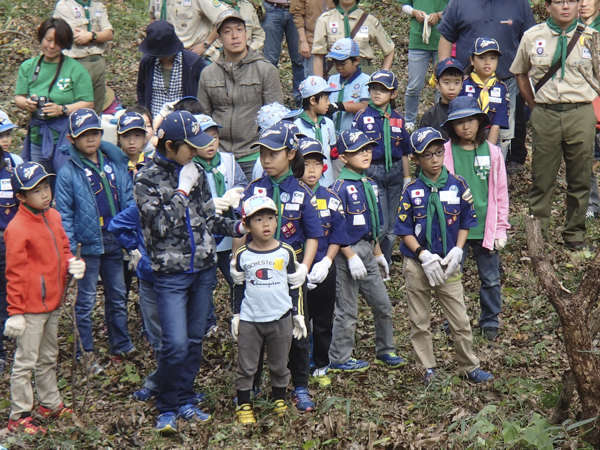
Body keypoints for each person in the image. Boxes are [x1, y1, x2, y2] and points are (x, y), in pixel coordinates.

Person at [134, 110, 244, 434]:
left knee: (195, 340)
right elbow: (160, 227)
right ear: (170, 146)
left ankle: (184, 397)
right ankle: (166, 406)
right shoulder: (146, 180)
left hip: (204, 268)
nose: (195, 152)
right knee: (175, 344)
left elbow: (209, 218)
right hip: (171, 274)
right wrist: (182, 191)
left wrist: (240, 225)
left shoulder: (194, 171)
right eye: (189, 147)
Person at [233, 121, 323, 412]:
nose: (266, 160)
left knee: (297, 329)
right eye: (262, 154)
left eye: (273, 153)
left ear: (291, 153)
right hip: (256, 271)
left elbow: (313, 234)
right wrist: (236, 264)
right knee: (254, 329)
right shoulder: (254, 189)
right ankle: (252, 384)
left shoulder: (301, 191)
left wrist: (304, 269)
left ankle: (298, 385)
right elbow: (241, 231)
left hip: (290, 273)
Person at [393, 128, 493, 384]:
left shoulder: (457, 184)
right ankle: (426, 367)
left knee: (459, 318)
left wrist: (458, 250)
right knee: (420, 321)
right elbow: (403, 229)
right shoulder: (411, 191)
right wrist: (422, 254)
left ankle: (469, 366)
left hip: (448, 263)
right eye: (428, 155)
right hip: (418, 264)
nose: (435, 159)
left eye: (439, 153)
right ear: (416, 160)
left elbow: (465, 220)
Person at [4, 162, 86, 435]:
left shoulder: (53, 216)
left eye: (46, 187)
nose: (44, 194)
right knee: (26, 360)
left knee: (49, 355)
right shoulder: (16, 229)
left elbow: (63, 246)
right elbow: (14, 273)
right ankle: (19, 415)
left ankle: (49, 403)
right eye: (36, 191)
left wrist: (73, 262)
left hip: (54, 300)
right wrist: (15, 312)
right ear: (21, 197)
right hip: (30, 307)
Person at [510, 0, 598, 249]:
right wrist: (534, 106)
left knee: (580, 177)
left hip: (580, 112)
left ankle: (575, 235)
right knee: (542, 178)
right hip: (545, 113)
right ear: (548, 7)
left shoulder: (592, 38)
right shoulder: (532, 36)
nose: (565, 7)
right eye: (558, 2)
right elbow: (520, 72)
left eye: (570, 1)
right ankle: (539, 238)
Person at [55, 109, 135, 368]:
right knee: (86, 300)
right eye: (84, 135)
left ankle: (120, 345)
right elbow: (64, 214)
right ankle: (85, 353)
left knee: (118, 295)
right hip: (86, 244)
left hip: (115, 238)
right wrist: (71, 250)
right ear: (72, 139)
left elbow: (128, 198)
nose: (90, 139)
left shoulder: (115, 162)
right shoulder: (68, 173)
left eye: (95, 133)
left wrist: (131, 237)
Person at [328, 129, 404, 372]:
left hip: (369, 250)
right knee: (347, 309)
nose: (365, 154)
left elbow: (374, 223)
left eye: (368, 149)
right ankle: (340, 357)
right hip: (345, 252)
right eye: (358, 150)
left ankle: (385, 349)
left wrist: (379, 252)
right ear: (343, 157)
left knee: (382, 304)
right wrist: (349, 256)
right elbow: (334, 229)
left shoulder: (370, 184)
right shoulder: (337, 188)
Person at [232, 195, 307, 423]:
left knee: (279, 363)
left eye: (271, 218)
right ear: (246, 225)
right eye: (258, 220)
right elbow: (238, 287)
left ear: (278, 221)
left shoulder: (286, 252)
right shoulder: (243, 255)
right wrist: (236, 314)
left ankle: (279, 398)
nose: (266, 224)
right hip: (250, 319)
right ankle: (244, 404)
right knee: (247, 364)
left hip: (280, 318)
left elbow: (295, 285)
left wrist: (298, 314)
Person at [441, 97, 509, 340]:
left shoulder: (492, 152)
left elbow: (501, 192)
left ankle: (490, 319)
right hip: (455, 228)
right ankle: (453, 319)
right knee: (451, 275)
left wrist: (501, 228)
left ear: (480, 122)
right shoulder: (445, 153)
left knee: (490, 278)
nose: (466, 127)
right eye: (459, 122)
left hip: (485, 226)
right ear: (452, 126)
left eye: (471, 120)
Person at [437, 0, 536, 158]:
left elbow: (531, 39)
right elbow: (446, 37)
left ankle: (497, 170)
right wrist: (445, 74)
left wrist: (528, 74)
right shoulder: (458, 3)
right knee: (464, 129)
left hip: (507, 81)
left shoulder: (520, 3)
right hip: (466, 83)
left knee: (502, 134)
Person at [197, 9, 284, 181]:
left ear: (247, 34)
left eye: (239, 30)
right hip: (220, 157)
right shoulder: (208, 74)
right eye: (228, 32)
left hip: (255, 155)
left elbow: (277, 120)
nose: (235, 36)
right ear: (220, 39)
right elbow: (203, 118)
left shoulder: (265, 70)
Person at [297, 136, 348, 387]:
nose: (312, 170)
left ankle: (321, 362)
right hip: (297, 269)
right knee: (299, 317)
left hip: (325, 267)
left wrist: (327, 262)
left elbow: (338, 234)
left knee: (323, 317)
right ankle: (298, 362)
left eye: (317, 164)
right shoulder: (291, 196)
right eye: (306, 164)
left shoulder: (331, 197)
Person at [15, 18, 94, 176]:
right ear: (41, 38)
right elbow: (19, 97)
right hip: (38, 135)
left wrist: (62, 109)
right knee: (39, 179)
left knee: (66, 183)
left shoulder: (75, 69)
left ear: (65, 44)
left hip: (67, 138)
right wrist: (27, 104)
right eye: (48, 40)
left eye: (57, 42)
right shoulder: (28, 66)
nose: (51, 46)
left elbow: (88, 103)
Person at [193, 114, 247, 331]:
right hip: (202, 235)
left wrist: (235, 193)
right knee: (205, 283)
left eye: (214, 138)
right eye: (205, 139)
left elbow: (243, 183)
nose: (211, 144)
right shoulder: (189, 167)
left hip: (229, 232)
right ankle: (207, 323)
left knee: (236, 275)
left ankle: (242, 315)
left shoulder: (229, 160)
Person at [352, 70, 411, 264]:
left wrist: (407, 178)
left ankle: (386, 261)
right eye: (374, 89)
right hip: (373, 171)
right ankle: (375, 260)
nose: (377, 93)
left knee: (393, 224)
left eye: (383, 90)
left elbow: (404, 150)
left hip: (395, 171)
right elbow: (355, 148)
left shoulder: (398, 118)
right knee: (381, 222)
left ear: (393, 94)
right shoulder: (362, 116)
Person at [136, 21, 206, 120]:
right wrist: (144, 113)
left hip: (184, 121)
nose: (162, 56)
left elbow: (206, 89)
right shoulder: (147, 63)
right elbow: (141, 88)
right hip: (154, 120)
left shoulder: (193, 63)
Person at [53, 0, 114, 115]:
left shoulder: (97, 5)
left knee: (96, 108)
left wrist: (91, 35)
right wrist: (99, 36)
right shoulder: (64, 5)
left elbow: (109, 34)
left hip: (97, 61)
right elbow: (77, 37)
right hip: (76, 62)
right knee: (77, 107)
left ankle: (95, 130)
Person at [400, 0, 449, 132]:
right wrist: (414, 12)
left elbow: (454, 7)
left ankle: (442, 119)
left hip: (443, 40)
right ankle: (409, 121)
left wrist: (438, 15)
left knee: (442, 84)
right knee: (414, 85)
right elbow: (404, 5)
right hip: (418, 41)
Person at [311, 0, 395, 77]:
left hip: (364, 73)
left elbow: (389, 48)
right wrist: (320, 86)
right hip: (336, 73)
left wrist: (383, 74)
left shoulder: (369, 20)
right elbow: (318, 55)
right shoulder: (325, 20)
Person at [0, 111, 24, 375]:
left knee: (12, 290)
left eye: (8, 134)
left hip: (13, 239)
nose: (5, 140)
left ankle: (14, 340)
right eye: (1, 136)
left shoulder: (15, 162)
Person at [460, 37, 509, 146]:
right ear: (472, 60)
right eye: (482, 58)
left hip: (490, 136)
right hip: (464, 135)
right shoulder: (463, 85)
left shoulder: (501, 89)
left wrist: (489, 150)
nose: (487, 62)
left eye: (492, 58)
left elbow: (497, 123)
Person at [294, 75, 338, 186]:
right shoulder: (296, 127)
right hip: (305, 183)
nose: (329, 103)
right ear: (313, 100)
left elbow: (332, 152)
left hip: (328, 182)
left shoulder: (328, 123)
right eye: (326, 99)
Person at [260, 0, 305, 106]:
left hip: (297, 9)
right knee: (269, 61)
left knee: (300, 59)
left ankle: (302, 100)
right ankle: (270, 101)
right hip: (271, 8)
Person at [149, 0, 229, 57]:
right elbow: (153, 18)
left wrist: (205, 44)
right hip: (162, 54)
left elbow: (226, 17)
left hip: (193, 54)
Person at [579, 0, 600, 219]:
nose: (583, 4)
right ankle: (591, 204)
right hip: (583, 108)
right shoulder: (568, 30)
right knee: (583, 158)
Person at [325, 38, 370, 136]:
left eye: (343, 64)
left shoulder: (365, 80)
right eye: (336, 64)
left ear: (356, 61)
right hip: (332, 133)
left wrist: (340, 106)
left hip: (354, 134)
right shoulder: (332, 79)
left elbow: (365, 106)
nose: (339, 68)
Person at [421, 58, 464, 141]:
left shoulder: (467, 112)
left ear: (462, 84)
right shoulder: (430, 115)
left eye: (457, 82)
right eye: (446, 82)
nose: (452, 88)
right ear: (437, 84)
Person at [290, 0, 335, 77]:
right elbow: (297, 14)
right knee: (314, 82)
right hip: (312, 42)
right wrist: (303, 41)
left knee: (334, 82)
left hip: (335, 43)